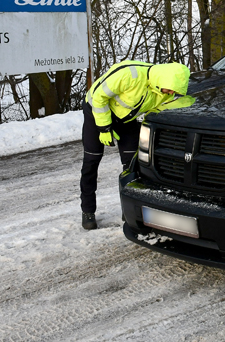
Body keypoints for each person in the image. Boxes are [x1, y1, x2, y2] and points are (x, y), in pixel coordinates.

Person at [80, 61, 193, 230]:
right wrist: (104, 128)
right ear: (162, 80)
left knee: (132, 165)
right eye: (170, 89)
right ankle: (88, 211)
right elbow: (98, 96)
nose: (170, 93)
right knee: (91, 160)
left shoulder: (165, 91)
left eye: (174, 92)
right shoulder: (129, 74)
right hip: (97, 112)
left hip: (127, 120)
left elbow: (173, 106)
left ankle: (129, 210)